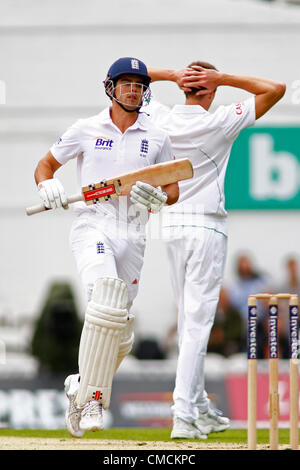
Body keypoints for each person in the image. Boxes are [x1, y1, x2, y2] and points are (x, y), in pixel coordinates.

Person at [33, 57, 180, 438]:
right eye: (125, 83)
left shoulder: (158, 135)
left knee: (121, 329)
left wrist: (159, 198)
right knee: (105, 301)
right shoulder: (86, 128)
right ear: (110, 87)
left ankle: (79, 383)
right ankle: (93, 398)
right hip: (92, 224)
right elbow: (46, 166)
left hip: (134, 231)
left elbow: (173, 187)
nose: (132, 89)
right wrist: (46, 187)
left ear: (145, 90)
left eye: (138, 84)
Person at [143, 62, 286, 438]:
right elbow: (275, 87)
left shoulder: (161, 117)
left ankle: (198, 407)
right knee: (197, 326)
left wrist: (172, 75)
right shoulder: (222, 120)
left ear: (186, 88)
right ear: (209, 90)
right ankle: (184, 414)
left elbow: (132, 75)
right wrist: (222, 78)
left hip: (170, 226)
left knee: (191, 323)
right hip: (205, 226)